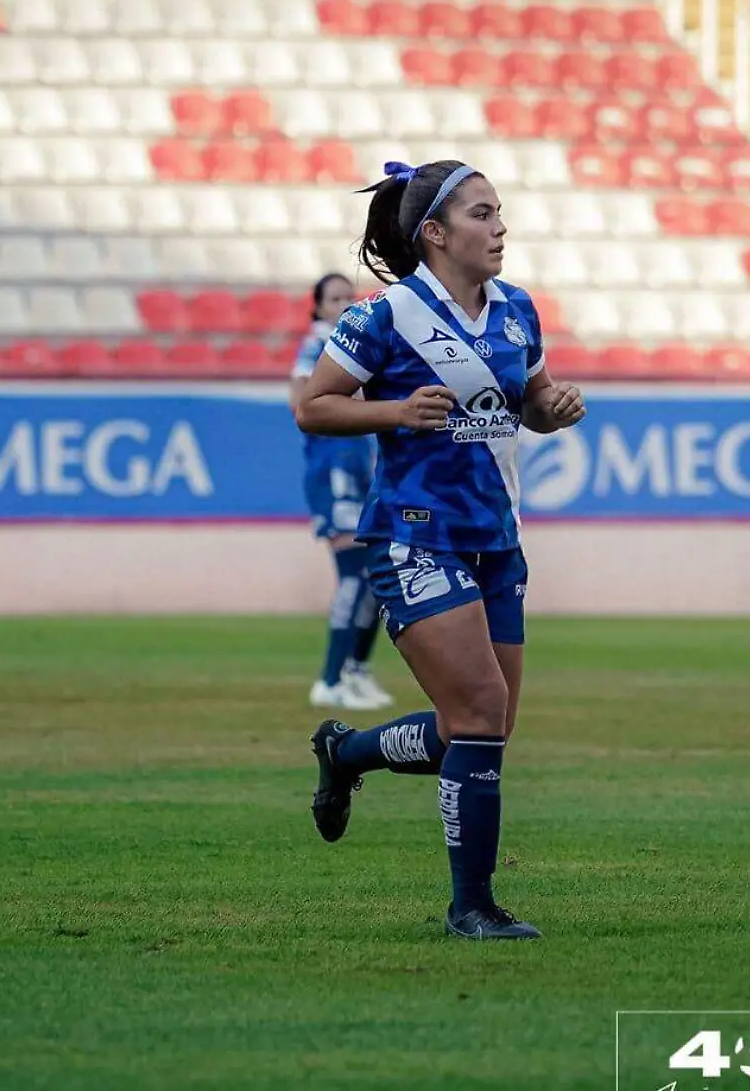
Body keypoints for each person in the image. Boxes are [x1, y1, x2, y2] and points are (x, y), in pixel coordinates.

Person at [295, 160, 585, 940]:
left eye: (500, 214)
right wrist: (394, 409)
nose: (500, 228)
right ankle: (472, 906)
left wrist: (554, 409)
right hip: (415, 535)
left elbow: (530, 403)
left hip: (497, 538)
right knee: (482, 711)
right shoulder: (385, 316)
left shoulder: (517, 309)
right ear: (435, 232)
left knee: (481, 728)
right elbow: (312, 406)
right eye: (483, 214)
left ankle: (349, 752)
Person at [289, 272, 394, 713]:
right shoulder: (318, 346)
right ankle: (330, 678)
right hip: (334, 476)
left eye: (349, 298)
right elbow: (301, 403)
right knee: (354, 574)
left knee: (376, 579)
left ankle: (355, 670)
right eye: (334, 298)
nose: (343, 305)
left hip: (361, 472)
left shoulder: (357, 347)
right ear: (317, 307)